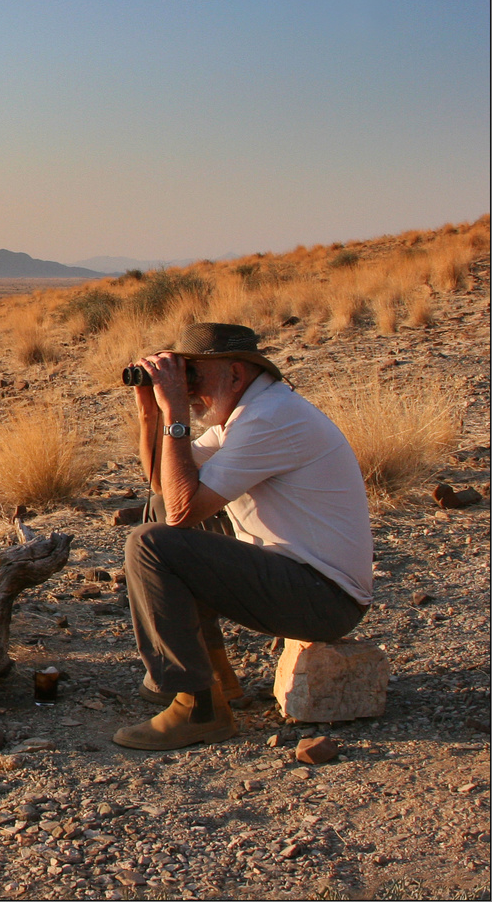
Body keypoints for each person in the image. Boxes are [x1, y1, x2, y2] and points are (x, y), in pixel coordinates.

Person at [112, 322, 373, 751]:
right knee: (159, 515)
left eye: (195, 374)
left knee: (151, 543)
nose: (189, 386)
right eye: (184, 373)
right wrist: (150, 410)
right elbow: (165, 488)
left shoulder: (269, 419)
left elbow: (182, 509)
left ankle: (199, 708)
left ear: (235, 374)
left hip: (323, 598)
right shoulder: (249, 411)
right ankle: (216, 680)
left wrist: (176, 411)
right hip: (300, 578)